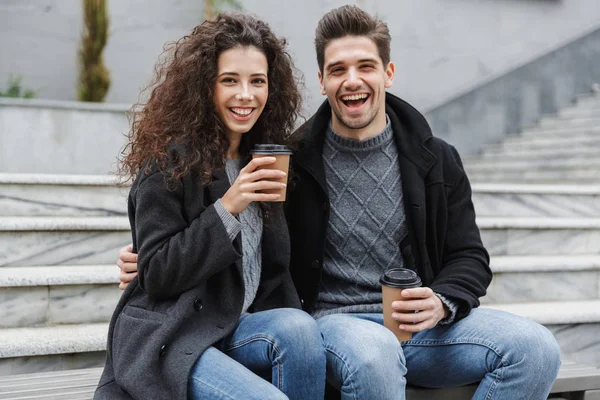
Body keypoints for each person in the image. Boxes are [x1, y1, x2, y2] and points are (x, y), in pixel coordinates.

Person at [118, 6, 562, 400]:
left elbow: (469, 256)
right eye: (338, 69)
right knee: (372, 353)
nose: (352, 80)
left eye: (365, 66)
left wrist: (443, 300)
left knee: (536, 349)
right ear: (322, 81)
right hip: (332, 326)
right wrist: (142, 260)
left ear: (387, 73)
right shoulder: (290, 158)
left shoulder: (435, 157)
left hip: (419, 328)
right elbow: (197, 224)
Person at [96, 13, 326, 400]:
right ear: (205, 87)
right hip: (176, 331)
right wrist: (229, 205)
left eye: (257, 81)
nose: (245, 95)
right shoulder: (169, 159)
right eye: (229, 80)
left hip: (234, 326)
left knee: (300, 330)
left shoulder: (266, 156)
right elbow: (157, 272)